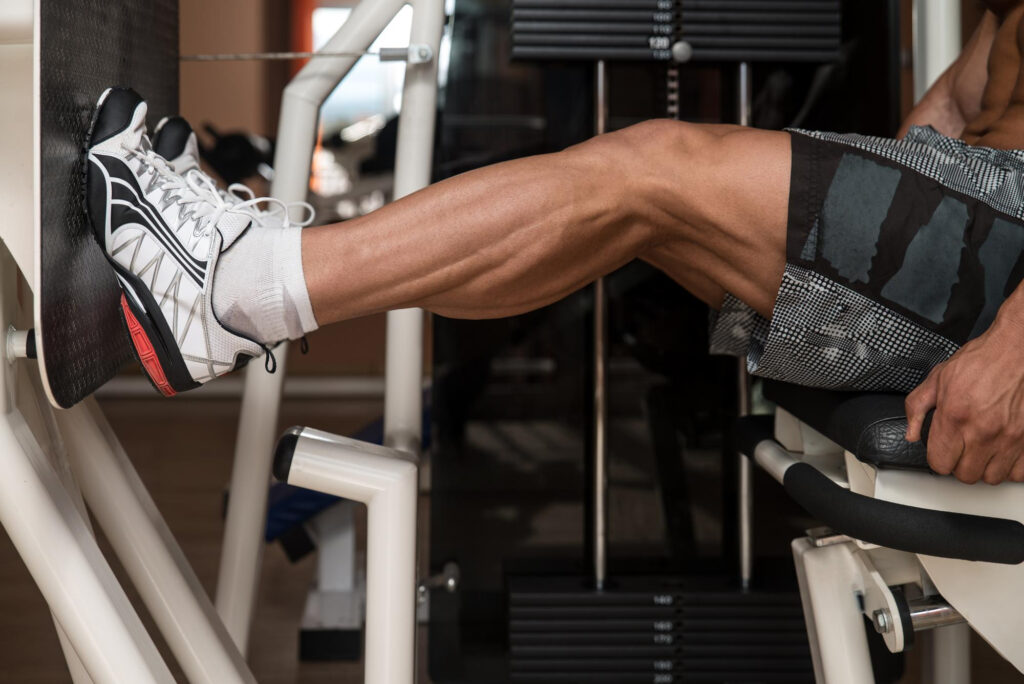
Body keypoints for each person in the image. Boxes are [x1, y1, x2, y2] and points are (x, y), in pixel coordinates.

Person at [85, 3, 1024, 485]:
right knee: (627, 211)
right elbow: (947, 120)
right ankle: (243, 289)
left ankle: (235, 289)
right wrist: (869, 219)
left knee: (649, 170)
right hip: (977, 227)